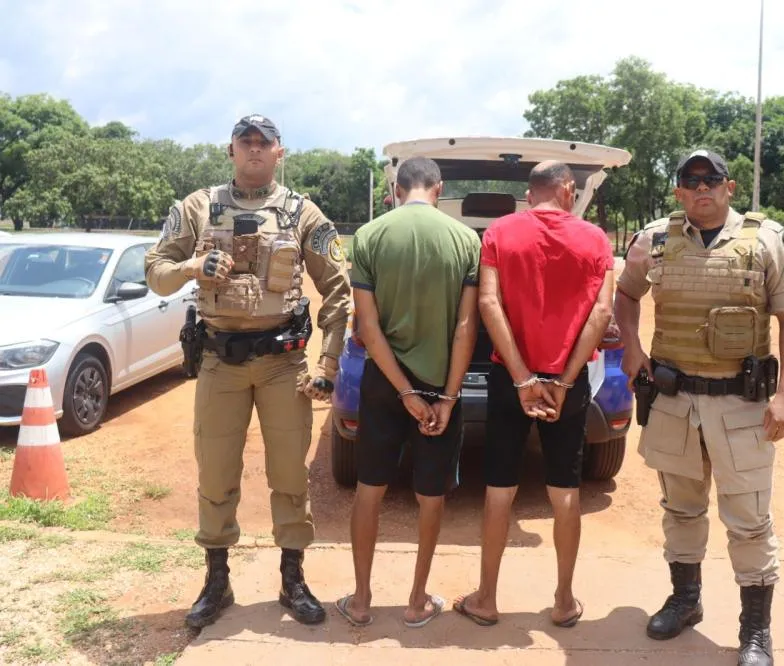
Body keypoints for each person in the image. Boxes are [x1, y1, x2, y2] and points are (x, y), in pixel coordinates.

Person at [144, 114, 351, 628]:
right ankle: (217, 581)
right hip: (220, 361)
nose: (254, 149)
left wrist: (327, 365)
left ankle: (292, 578)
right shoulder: (197, 207)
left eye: (264, 142)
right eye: (246, 141)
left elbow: (338, 291)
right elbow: (156, 273)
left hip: (283, 364)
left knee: (290, 475)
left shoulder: (302, 212)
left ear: (279, 152)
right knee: (215, 473)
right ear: (231, 150)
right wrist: (193, 266)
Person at [614, 149, 784, 665]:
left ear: (729, 186)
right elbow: (625, 296)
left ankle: (755, 631)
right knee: (681, 509)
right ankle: (686, 600)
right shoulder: (654, 240)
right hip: (675, 402)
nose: (702, 187)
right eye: (691, 179)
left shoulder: (766, 240)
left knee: (749, 520)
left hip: (741, 406)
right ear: (678, 190)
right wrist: (632, 347)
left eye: (712, 179)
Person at [453, 160, 614, 628]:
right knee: (565, 491)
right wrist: (562, 381)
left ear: (530, 194)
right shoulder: (596, 239)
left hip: (510, 380)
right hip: (569, 383)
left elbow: (488, 303)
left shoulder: (499, 233)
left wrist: (523, 379)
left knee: (500, 488)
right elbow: (602, 313)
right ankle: (564, 600)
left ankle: (486, 599)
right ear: (568, 190)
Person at [334, 156, 481, 629]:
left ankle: (361, 600)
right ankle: (417, 601)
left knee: (370, 489)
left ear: (396, 190)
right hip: (441, 386)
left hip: (385, 384)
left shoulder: (369, 236)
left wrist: (403, 392)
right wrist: (447, 397)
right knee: (431, 496)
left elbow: (368, 327)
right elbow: (466, 328)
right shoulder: (466, 240)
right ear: (439, 189)